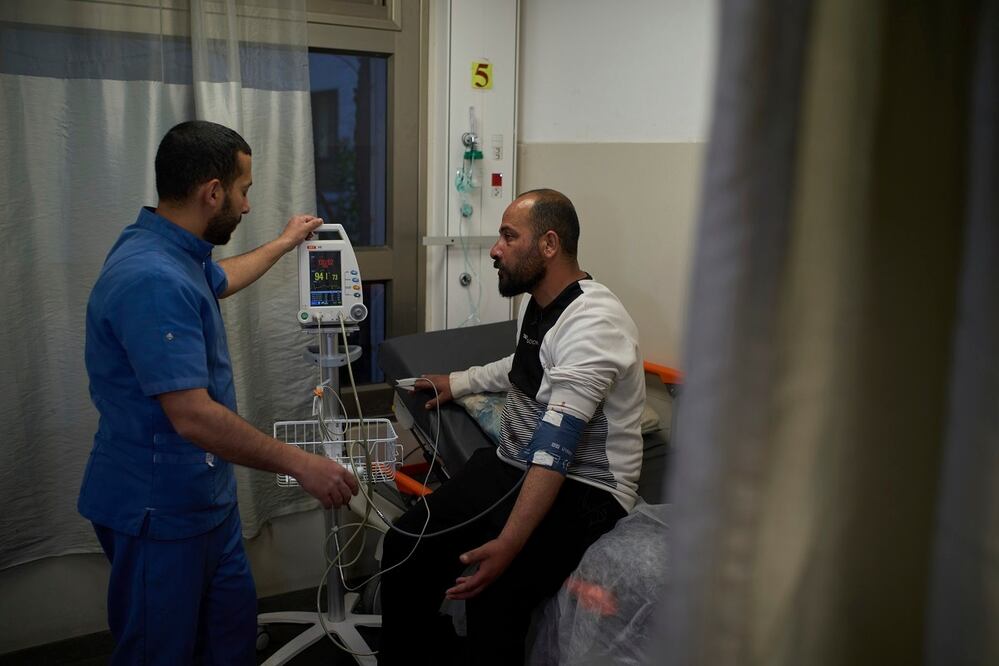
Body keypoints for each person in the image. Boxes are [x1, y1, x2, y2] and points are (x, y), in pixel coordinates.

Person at [78, 120, 359, 665]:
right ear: (212, 192)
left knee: (229, 632)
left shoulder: (169, 250)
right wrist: (304, 464)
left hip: (207, 498)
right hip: (159, 508)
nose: (247, 206)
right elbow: (194, 418)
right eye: (244, 191)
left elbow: (220, 279)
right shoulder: (152, 277)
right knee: (160, 651)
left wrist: (282, 243)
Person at [378, 189, 646, 665]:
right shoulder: (540, 304)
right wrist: (456, 382)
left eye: (507, 236)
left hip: (586, 489)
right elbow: (520, 366)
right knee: (406, 544)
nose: (494, 249)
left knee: (493, 592)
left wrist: (510, 542)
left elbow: (556, 447)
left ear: (548, 244)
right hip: (514, 462)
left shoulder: (595, 323)